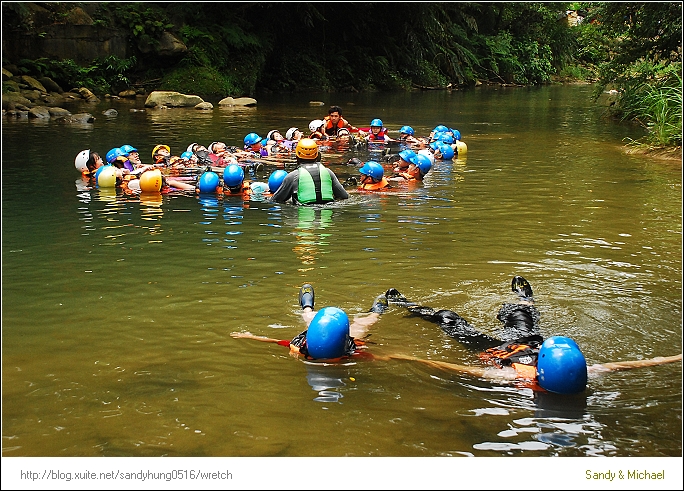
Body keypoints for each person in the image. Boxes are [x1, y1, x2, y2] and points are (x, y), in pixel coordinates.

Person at [381, 276, 683, 393]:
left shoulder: (513, 379)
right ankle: (526, 298)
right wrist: (677, 357)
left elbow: (455, 368)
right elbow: (635, 364)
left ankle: (405, 303)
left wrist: (404, 357)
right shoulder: (581, 371)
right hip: (526, 343)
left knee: (449, 318)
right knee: (520, 315)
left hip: (496, 350)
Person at [230, 283, 388, 361]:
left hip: (331, 332)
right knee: (310, 319)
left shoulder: (348, 351)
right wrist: (250, 336)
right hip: (317, 331)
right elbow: (276, 341)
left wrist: (250, 336)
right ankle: (307, 306)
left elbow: (276, 341)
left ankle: (376, 312)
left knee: (362, 324)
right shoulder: (302, 347)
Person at [270, 138, 349, 205]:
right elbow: (344, 196)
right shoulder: (328, 172)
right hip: (327, 217)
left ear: (297, 156)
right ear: (317, 155)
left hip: (304, 216)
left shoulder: (293, 176)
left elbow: (275, 200)